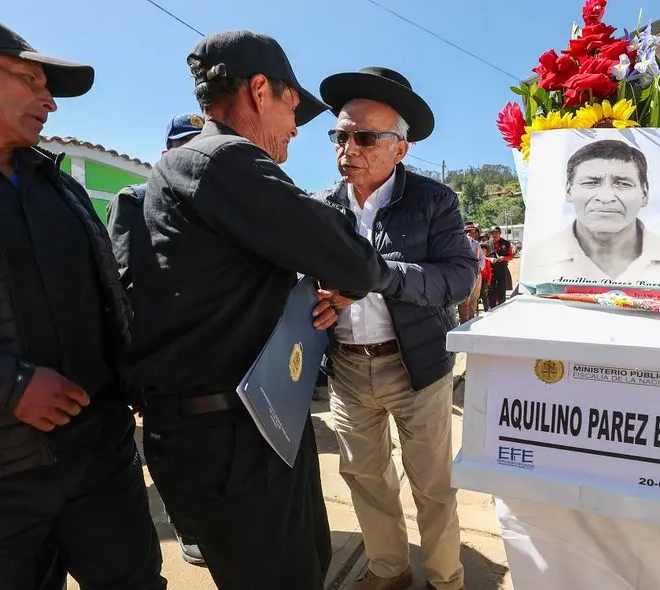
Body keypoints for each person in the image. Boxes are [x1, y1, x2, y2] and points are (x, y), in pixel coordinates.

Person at [0, 7, 165, 590]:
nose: (50, 102)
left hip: (100, 460)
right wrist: (7, 386)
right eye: (30, 79)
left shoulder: (59, 184)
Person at [123, 32, 399, 590]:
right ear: (257, 90)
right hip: (235, 440)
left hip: (241, 425)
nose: (296, 128)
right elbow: (354, 261)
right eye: (292, 107)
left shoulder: (191, 171)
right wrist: (342, 274)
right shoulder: (223, 160)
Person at [315, 66, 476, 590]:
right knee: (365, 478)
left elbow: (457, 278)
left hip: (418, 369)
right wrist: (313, 298)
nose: (348, 149)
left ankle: (446, 579)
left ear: (399, 149)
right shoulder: (320, 207)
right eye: (340, 136)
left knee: (432, 485)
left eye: (364, 138)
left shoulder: (434, 201)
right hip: (346, 369)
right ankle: (389, 569)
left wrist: (375, 276)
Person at [106, 113, 206, 566]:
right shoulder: (136, 200)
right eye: (184, 147)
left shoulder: (219, 204)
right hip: (165, 354)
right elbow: (124, 286)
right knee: (173, 443)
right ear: (166, 154)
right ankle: (186, 523)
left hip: (213, 351)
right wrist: (137, 370)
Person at [524, 139, 660, 288]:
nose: (606, 197)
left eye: (623, 184)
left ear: (645, 193)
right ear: (569, 191)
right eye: (591, 183)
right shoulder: (535, 265)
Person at [458, 222, 484, 322]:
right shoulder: (458, 244)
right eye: (467, 231)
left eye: (471, 231)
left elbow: (482, 258)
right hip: (464, 275)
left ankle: (471, 320)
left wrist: (480, 267)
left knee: (474, 299)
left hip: (476, 275)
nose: (469, 233)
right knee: (464, 301)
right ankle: (463, 322)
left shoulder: (476, 244)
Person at [487, 226, 514, 308]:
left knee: (502, 289)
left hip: (502, 269)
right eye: (492, 233)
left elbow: (511, 256)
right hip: (491, 270)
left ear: (500, 233)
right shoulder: (486, 244)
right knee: (491, 290)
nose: (494, 235)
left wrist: (504, 258)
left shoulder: (506, 243)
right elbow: (482, 257)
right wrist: (490, 259)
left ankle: (502, 307)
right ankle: (492, 308)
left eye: (496, 232)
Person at [479, 243, 493, 312]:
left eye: (485, 252)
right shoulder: (476, 260)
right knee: (476, 296)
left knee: (484, 295)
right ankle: (475, 311)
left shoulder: (487, 261)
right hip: (477, 279)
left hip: (484, 280)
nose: (483, 253)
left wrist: (488, 281)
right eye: (482, 251)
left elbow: (489, 272)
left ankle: (486, 310)